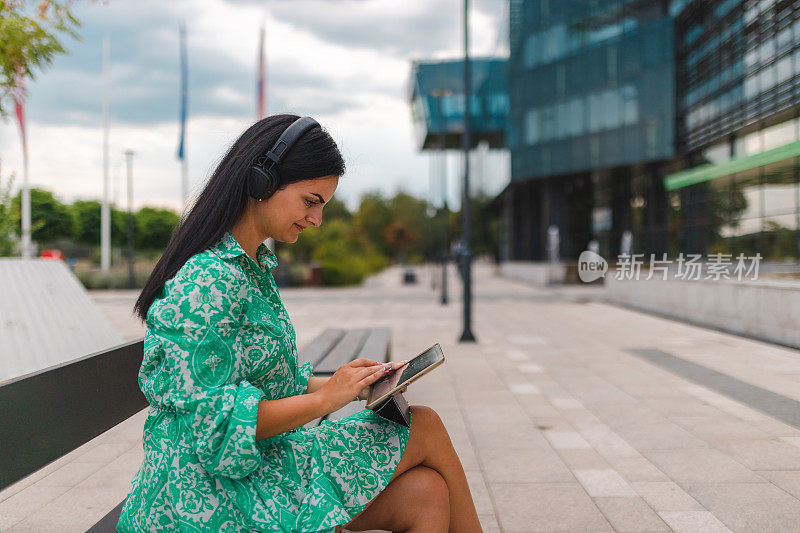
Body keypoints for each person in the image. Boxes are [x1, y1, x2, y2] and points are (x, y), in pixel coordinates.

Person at [119, 114, 482, 533]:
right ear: (262, 182)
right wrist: (325, 401)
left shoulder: (248, 267)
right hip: (203, 499)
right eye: (311, 201)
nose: (316, 219)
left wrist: (347, 384)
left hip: (245, 474)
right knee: (425, 425)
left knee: (427, 493)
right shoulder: (207, 283)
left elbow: (265, 384)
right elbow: (215, 429)